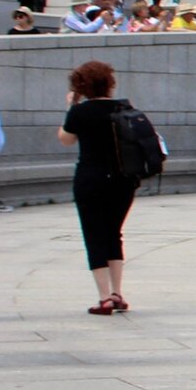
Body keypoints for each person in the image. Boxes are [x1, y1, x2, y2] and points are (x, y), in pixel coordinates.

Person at [57, 59, 144, 314]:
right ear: (109, 83)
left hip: (90, 180)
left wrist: (70, 106)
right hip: (123, 181)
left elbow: (66, 139)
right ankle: (117, 293)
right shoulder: (124, 107)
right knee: (114, 234)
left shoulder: (80, 112)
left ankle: (104, 297)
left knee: (94, 235)